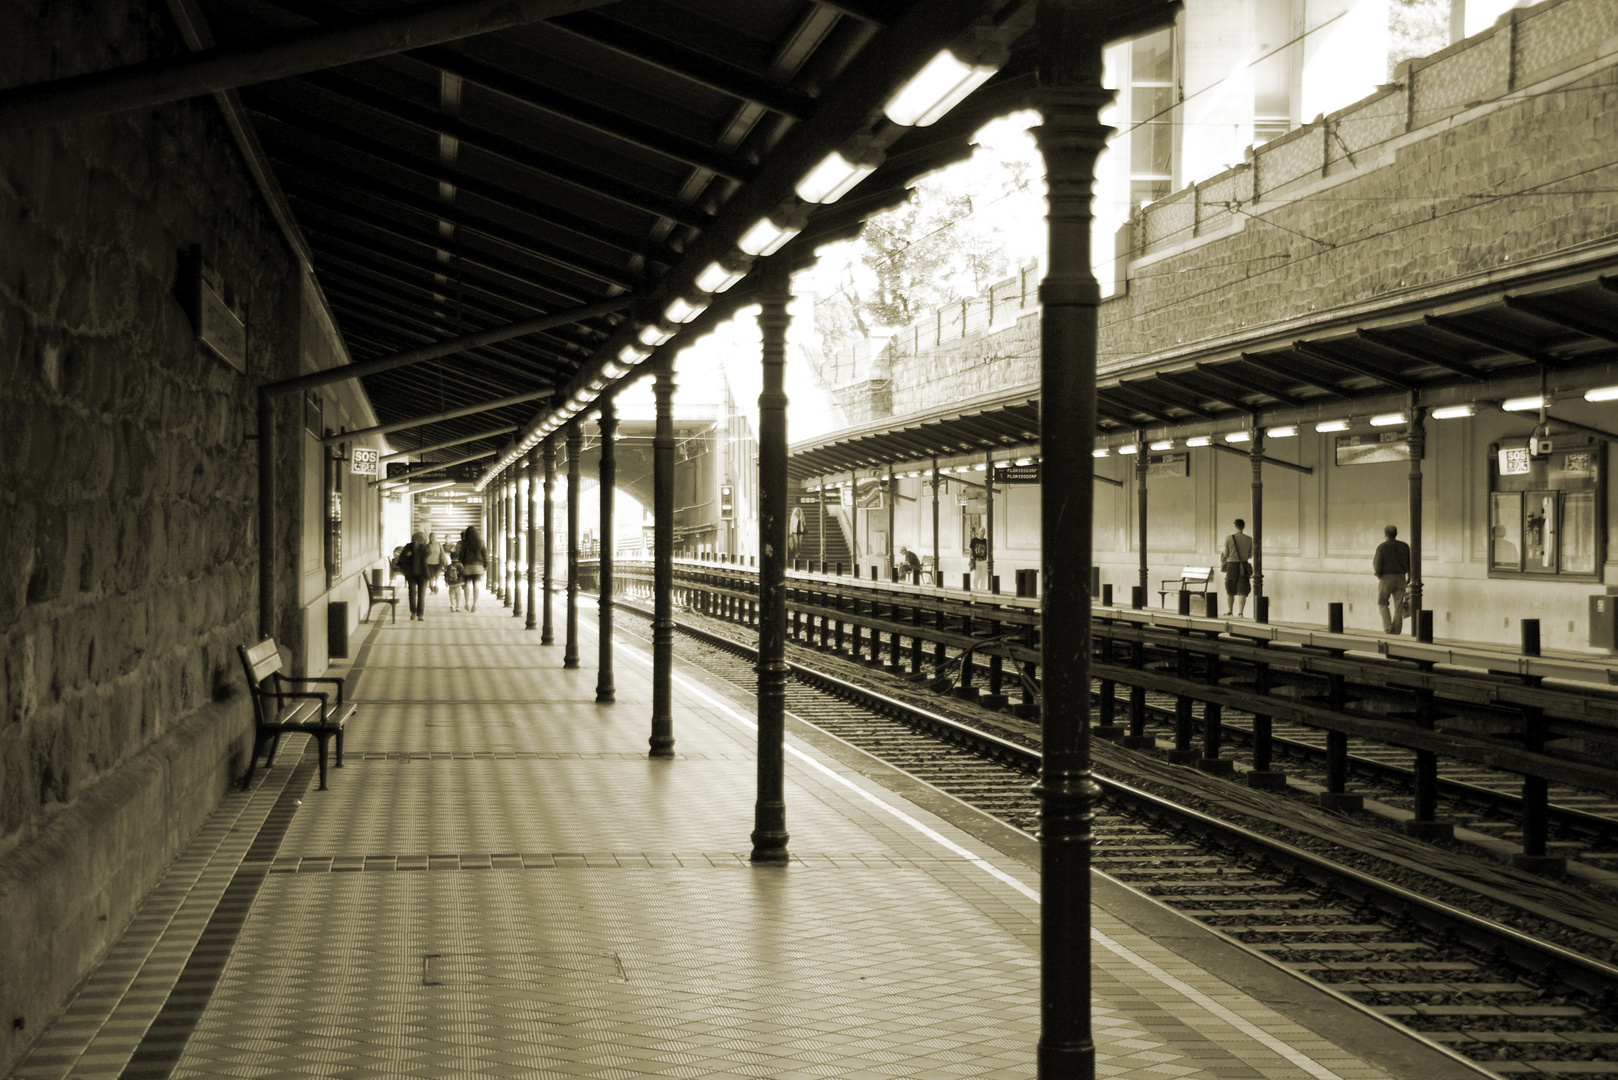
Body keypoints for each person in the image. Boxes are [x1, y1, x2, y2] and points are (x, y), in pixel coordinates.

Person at [1373, 524, 1412, 635]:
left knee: (1382, 602)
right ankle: (1396, 631)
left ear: (1385, 534)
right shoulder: (1404, 546)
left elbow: (1377, 563)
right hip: (1401, 577)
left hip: (1386, 578)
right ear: (1396, 534)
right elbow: (1410, 562)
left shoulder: (1382, 547)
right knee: (1399, 605)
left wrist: (1378, 574)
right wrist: (1409, 576)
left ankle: (1388, 627)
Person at [1220, 518, 1255, 617]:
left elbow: (1226, 554)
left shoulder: (1229, 538)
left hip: (1232, 565)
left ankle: (1230, 611)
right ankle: (1240, 613)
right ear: (1243, 527)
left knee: (1230, 589)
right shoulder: (1249, 539)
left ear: (1235, 526)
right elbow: (1250, 556)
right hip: (1243, 565)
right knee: (1242, 590)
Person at [401, 531, 430, 621]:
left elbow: (427, 554)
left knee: (418, 594)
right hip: (412, 574)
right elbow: (402, 559)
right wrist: (407, 555)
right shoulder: (408, 547)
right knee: (414, 594)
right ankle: (415, 613)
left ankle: (417, 614)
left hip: (421, 574)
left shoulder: (425, 547)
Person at [459, 524, 487, 612]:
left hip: (467, 566)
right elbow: (484, 554)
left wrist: (461, 564)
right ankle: (475, 604)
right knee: (477, 585)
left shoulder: (465, 543)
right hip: (478, 566)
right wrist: (486, 565)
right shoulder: (481, 542)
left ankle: (467, 603)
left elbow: (461, 555)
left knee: (467, 585)